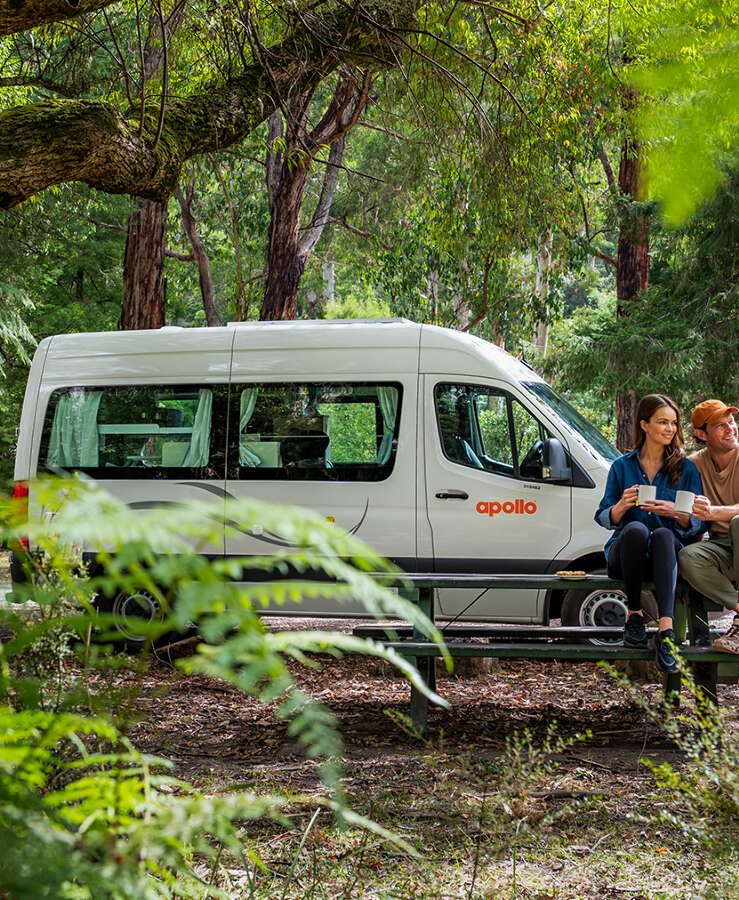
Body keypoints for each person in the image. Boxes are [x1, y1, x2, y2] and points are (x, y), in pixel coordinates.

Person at [595, 394, 706, 672]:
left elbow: (697, 523)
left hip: (664, 559)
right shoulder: (623, 466)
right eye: (662, 422)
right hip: (626, 558)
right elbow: (604, 516)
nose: (670, 429)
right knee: (634, 529)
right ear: (644, 425)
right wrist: (621, 505)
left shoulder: (686, 469)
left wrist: (676, 513)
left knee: (664, 536)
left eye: (673, 423)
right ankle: (634, 616)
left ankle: (665, 631)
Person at [678, 400, 739, 654]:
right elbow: (684, 513)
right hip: (722, 547)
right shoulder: (692, 465)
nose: (730, 429)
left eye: (732, 422)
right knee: (687, 556)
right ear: (701, 435)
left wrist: (715, 511)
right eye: (720, 426)